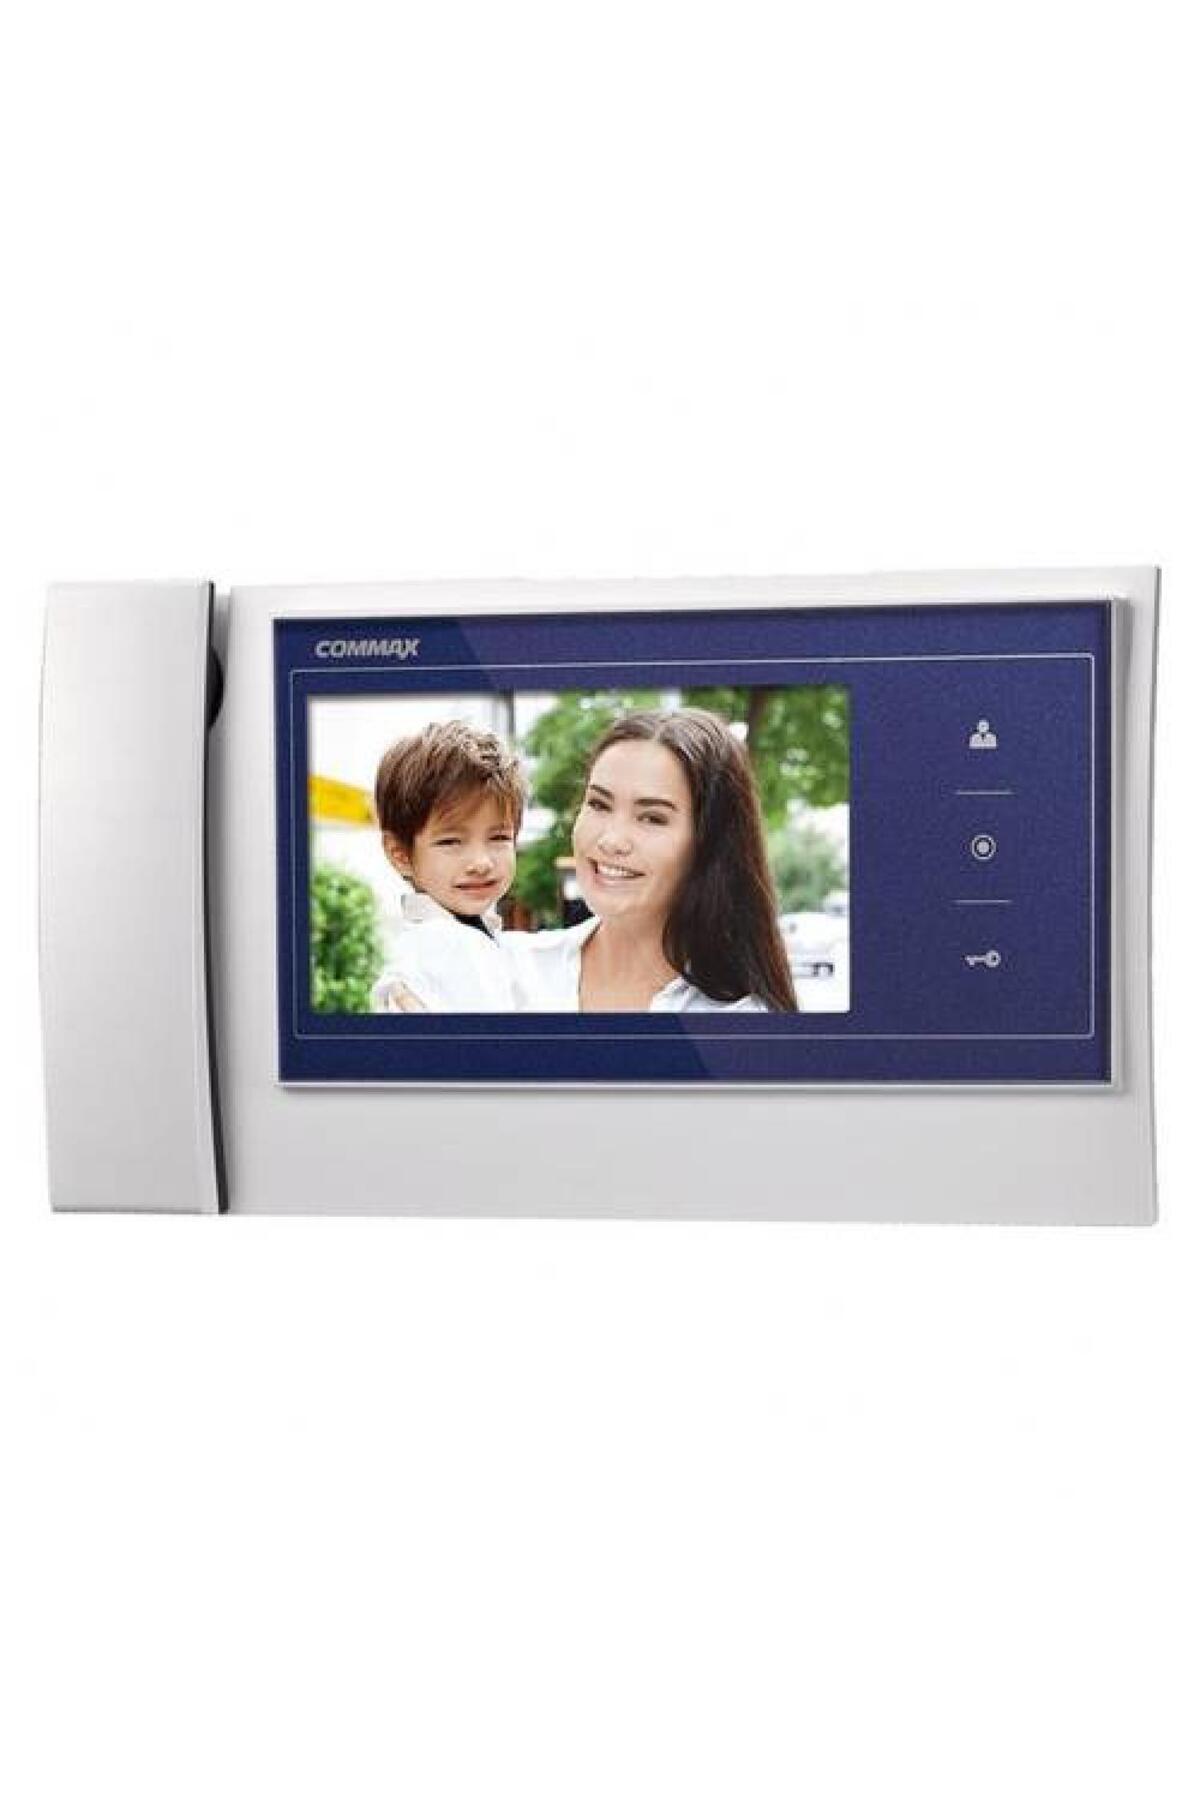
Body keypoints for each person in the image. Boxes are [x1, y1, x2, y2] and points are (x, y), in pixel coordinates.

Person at [506, 708, 797, 1012]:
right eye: (599, 804)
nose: (611, 840)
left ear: (709, 843)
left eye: (652, 818)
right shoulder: (507, 970)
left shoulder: (740, 1018)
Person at [370, 720, 526, 1012]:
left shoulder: (467, 934)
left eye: (499, 837)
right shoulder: (448, 944)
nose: (481, 863)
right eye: (451, 842)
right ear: (400, 854)